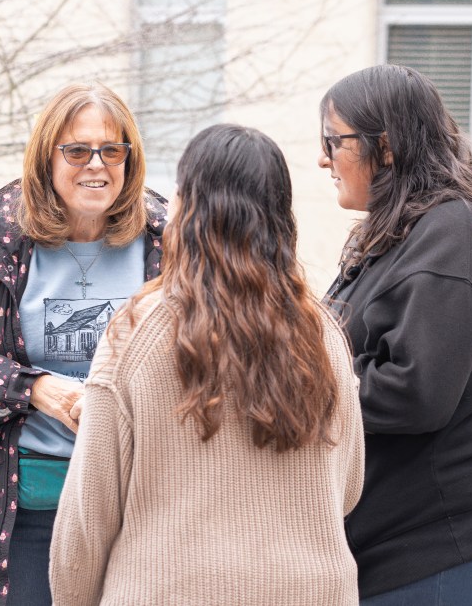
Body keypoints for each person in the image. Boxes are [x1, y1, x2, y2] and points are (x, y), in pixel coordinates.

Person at [49, 124, 364, 605]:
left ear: (186, 207)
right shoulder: (324, 332)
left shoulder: (135, 333)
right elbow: (349, 489)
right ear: (281, 213)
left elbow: (87, 521)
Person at [0, 82, 166, 605]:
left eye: (112, 150)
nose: (97, 165)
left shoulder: (168, 245)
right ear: (46, 159)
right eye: (77, 150)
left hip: (137, 514)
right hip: (19, 519)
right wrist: (36, 389)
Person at [318, 64, 472, 603]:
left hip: (447, 545)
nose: (323, 158)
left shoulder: (456, 233)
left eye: (334, 140)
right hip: (403, 545)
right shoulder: (412, 232)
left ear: (387, 146)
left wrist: (300, 389)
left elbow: (416, 393)